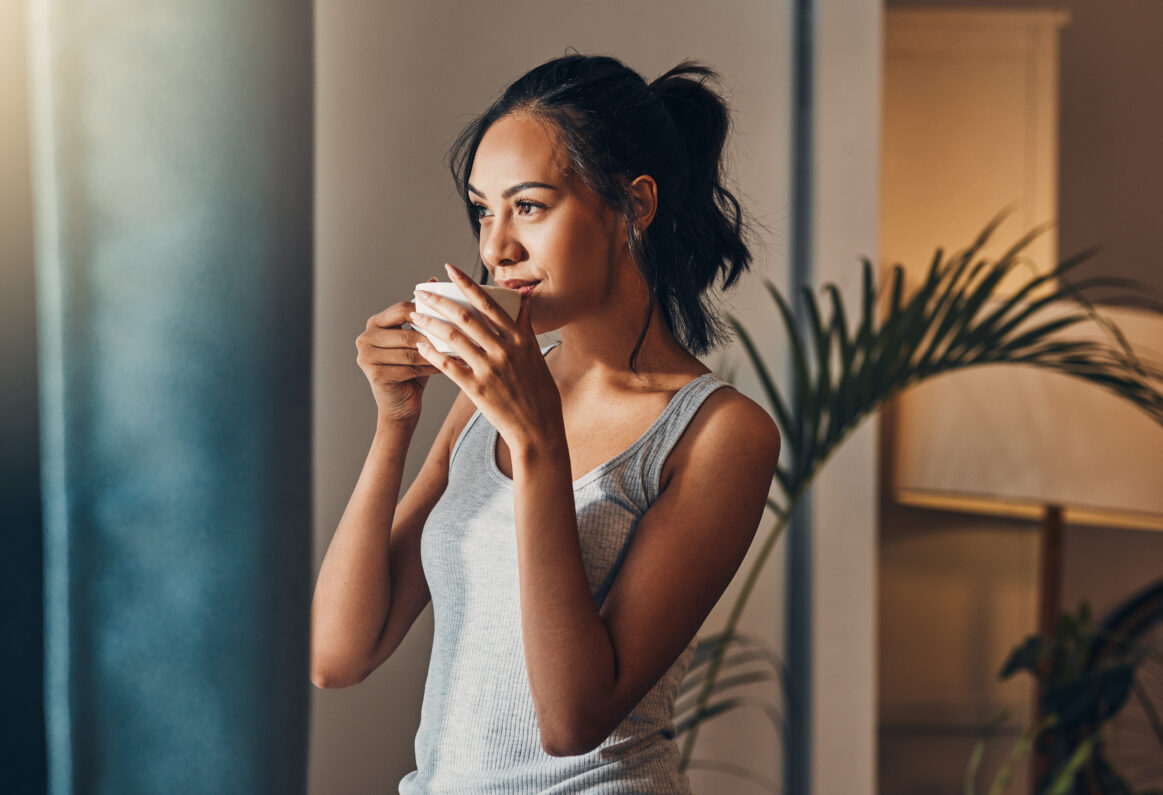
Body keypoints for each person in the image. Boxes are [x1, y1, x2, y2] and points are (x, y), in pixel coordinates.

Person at [310, 53, 781, 793]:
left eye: (528, 206)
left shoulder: (719, 433)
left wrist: (536, 443)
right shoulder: (485, 396)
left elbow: (572, 718)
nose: (495, 249)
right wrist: (393, 423)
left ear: (635, 205)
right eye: (481, 209)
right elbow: (339, 655)